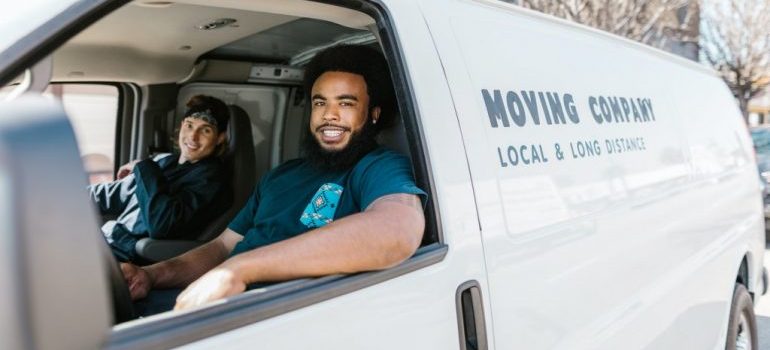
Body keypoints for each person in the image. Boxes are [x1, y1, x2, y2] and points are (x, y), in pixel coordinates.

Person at [121, 44, 427, 312]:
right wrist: (151, 275)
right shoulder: (280, 175)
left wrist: (239, 270)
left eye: (345, 104)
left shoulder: (377, 166)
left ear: (372, 114)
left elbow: (398, 230)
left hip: (266, 314)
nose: (329, 115)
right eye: (320, 103)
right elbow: (222, 248)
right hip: (205, 300)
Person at [90, 95, 232, 263]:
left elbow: (161, 224)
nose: (193, 137)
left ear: (220, 137)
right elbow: (111, 195)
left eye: (206, 130)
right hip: (104, 242)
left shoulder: (211, 180)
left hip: (127, 257)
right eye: (189, 125)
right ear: (182, 126)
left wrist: (143, 167)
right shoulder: (164, 162)